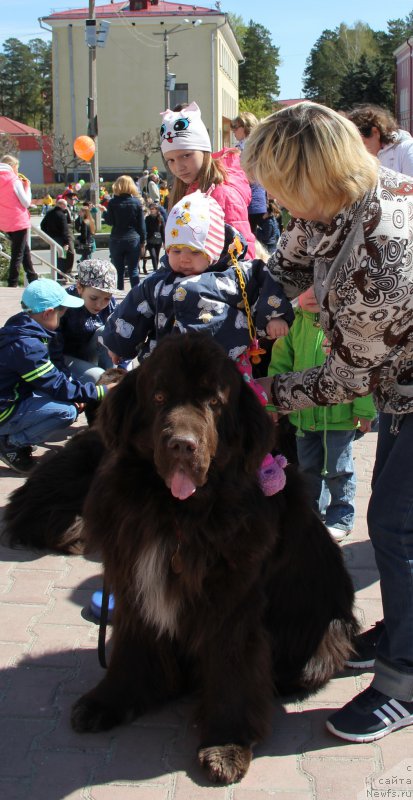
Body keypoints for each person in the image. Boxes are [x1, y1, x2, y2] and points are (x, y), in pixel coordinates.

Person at [242, 100, 413, 743]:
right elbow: (288, 256)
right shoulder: (341, 195)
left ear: (312, 176)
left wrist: (262, 394)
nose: (275, 200)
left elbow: (345, 379)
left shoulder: (380, 256)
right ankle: (403, 628)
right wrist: (268, 303)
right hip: (402, 378)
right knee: (399, 522)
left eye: (280, 186)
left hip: (401, 378)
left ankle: (405, 680)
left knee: (397, 526)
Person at [103, 189, 293, 368]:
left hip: (224, 362)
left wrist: (274, 317)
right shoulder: (158, 282)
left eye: (195, 252)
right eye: (176, 250)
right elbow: (132, 310)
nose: (183, 258)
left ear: (214, 252)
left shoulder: (235, 274)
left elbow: (264, 286)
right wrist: (117, 344)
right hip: (167, 365)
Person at [268, 285, 377, 541]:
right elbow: (280, 364)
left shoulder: (348, 323)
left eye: (320, 285)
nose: (312, 294)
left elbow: (365, 366)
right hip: (305, 417)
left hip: (340, 417)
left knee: (339, 468)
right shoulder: (295, 323)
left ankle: (341, 515)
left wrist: (363, 408)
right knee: (307, 468)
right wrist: (273, 401)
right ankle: (311, 515)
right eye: (304, 289)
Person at [0, 279, 114, 474]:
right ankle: (10, 444)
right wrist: (101, 392)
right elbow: (56, 386)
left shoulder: (22, 326)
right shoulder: (28, 347)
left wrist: (72, 389)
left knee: (65, 399)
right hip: (5, 409)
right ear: (48, 313)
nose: (62, 318)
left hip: (13, 395)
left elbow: (53, 378)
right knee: (66, 412)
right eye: (61, 313)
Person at [160, 101, 256, 258]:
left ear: (204, 151)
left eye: (186, 155)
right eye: (170, 160)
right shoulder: (183, 189)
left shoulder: (223, 195)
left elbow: (242, 255)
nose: (179, 167)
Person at [49, 259, 118, 383]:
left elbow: (122, 336)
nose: (100, 304)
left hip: (90, 353)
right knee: (98, 376)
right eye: (93, 298)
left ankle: (112, 381)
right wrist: (66, 378)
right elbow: (53, 347)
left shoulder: (110, 305)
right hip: (63, 356)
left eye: (107, 298)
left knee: (106, 331)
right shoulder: (63, 305)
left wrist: (122, 369)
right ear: (79, 287)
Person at [0, 154, 38, 287]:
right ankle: (13, 283)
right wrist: (28, 187)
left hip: (4, 222)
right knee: (17, 254)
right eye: (17, 167)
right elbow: (26, 202)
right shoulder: (14, 180)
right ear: (12, 166)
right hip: (18, 221)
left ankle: (33, 277)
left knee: (24, 249)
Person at [102, 175, 146, 290]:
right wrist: (143, 241)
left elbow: (110, 221)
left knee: (118, 271)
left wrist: (104, 213)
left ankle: (119, 294)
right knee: (134, 270)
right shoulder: (136, 203)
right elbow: (141, 225)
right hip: (133, 238)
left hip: (117, 238)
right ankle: (136, 296)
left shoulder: (112, 203)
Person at [347, 104, 413, 175]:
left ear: (375, 132)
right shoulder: (360, 158)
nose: (358, 150)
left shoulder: (407, 149)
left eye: (362, 143)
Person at [230, 112, 268, 235]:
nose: (233, 131)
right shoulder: (243, 146)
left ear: (246, 126)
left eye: (236, 127)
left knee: (250, 239)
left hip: (253, 200)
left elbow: (252, 175)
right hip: (249, 199)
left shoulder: (252, 147)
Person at [40, 198, 75, 281]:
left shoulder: (50, 213)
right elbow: (65, 229)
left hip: (53, 238)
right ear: (61, 205)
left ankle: (58, 275)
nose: (66, 207)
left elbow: (42, 225)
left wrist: (48, 234)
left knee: (56, 256)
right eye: (65, 205)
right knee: (68, 255)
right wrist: (66, 242)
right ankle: (65, 274)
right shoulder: (61, 215)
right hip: (61, 238)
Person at [144, 203, 165, 272]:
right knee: (153, 255)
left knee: (157, 255)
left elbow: (163, 231)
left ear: (156, 210)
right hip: (150, 239)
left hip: (158, 240)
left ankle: (156, 269)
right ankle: (155, 270)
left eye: (153, 209)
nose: (152, 210)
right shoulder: (147, 218)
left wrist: (164, 242)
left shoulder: (160, 218)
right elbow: (145, 229)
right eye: (150, 209)